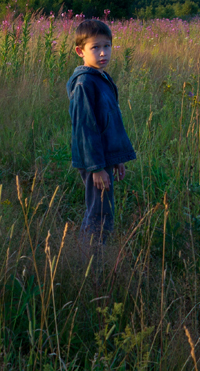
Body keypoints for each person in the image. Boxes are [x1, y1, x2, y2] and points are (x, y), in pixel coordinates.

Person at [67, 19, 136, 242]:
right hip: (93, 160)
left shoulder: (101, 77)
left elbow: (109, 122)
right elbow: (85, 129)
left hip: (104, 157)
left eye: (107, 46)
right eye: (95, 47)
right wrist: (96, 168)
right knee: (98, 212)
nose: (103, 52)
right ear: (80, 51)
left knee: (104, 209)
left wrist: (117, 159)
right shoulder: (84, 83)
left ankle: (97, 255)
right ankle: (89, 260)